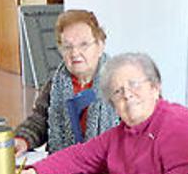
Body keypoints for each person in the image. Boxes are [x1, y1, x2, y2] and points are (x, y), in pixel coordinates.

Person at [16, 53, 188, 174]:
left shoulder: (179, 124)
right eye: (118, 91)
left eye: (134, 84)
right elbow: (78, 157)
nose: (127, 94)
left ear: (155, 88)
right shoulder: (120, 133)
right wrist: (33, 172)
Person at [13, 9, 118, 155]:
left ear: (100, 46)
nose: (75, 53)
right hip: (63, 167)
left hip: (109, 169)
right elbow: (40, 121)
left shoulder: (121, 82)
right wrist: (23, 139)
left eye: (84, 44)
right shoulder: (55, 85)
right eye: (67, 46)